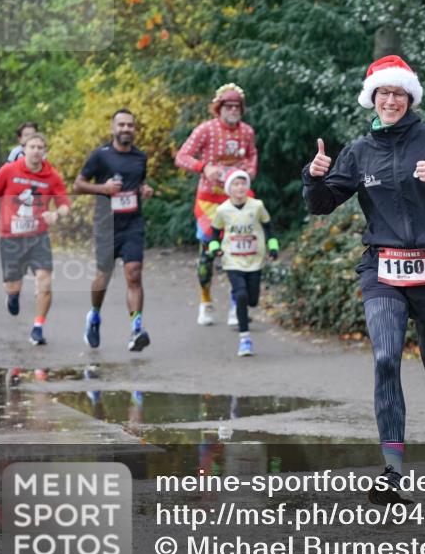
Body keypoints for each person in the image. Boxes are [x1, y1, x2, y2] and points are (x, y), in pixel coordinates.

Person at [303, 55, 425, 504]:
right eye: (382, 93)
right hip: (383, 269)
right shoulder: (359, 150)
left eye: (398, 93)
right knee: (386, 356)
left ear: (410, 97)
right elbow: (324, 203)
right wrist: (313, 179)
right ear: (373, 98)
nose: (390, 100)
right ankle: (392, 471)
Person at [174, 83, 258, 326]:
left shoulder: (247, 132)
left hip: (238, 200)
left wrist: (250, 171)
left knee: (239, 252)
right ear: (219, 108)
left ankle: (236, 306)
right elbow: (182, 156)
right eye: (228, 106)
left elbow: (252, 156)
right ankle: (206, 302)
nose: (233, 110)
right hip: (209, 201)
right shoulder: (205, 130)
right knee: (208, 253)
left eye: (237, 107)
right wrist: (204, 167)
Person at [73, 108, 154, 352]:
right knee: (103, 276)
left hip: (132, 223)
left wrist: (144, 189)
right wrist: (103, 188)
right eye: (121, 125)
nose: (126, 129)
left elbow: (138, 182)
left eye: (130, 125)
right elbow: (78, 185)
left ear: (135, 129)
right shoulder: (101, 156)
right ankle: (94, 316)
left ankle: (136, 329)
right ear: (113, 128)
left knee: (134, 272)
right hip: (106, 225)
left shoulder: (140, 157)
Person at [0, 132, 70, 345]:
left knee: (45, 281)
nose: (36, 151)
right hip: (11, 237)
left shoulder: (51, 176)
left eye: (40, 147)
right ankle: (12, 296)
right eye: (32, 147)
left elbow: (65, 205)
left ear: (44, 151)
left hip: (38, 237)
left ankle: (38, 327)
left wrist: (56, 214)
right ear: (24, 149)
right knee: (13, 286)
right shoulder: (9, 170)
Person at [208, 169, 279, 356]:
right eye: (235, 184)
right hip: (232, 259)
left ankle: (242, 303)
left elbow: (268, 227)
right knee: (240, 296)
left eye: (243, 183)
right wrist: (215, 248)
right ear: (229, 188)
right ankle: (245, 339)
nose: (240, 187)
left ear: (248, 186)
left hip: (255, 259)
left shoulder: (257, 206)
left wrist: (273, 247)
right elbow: (214, 233)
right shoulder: (222, 210)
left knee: (253, 300)